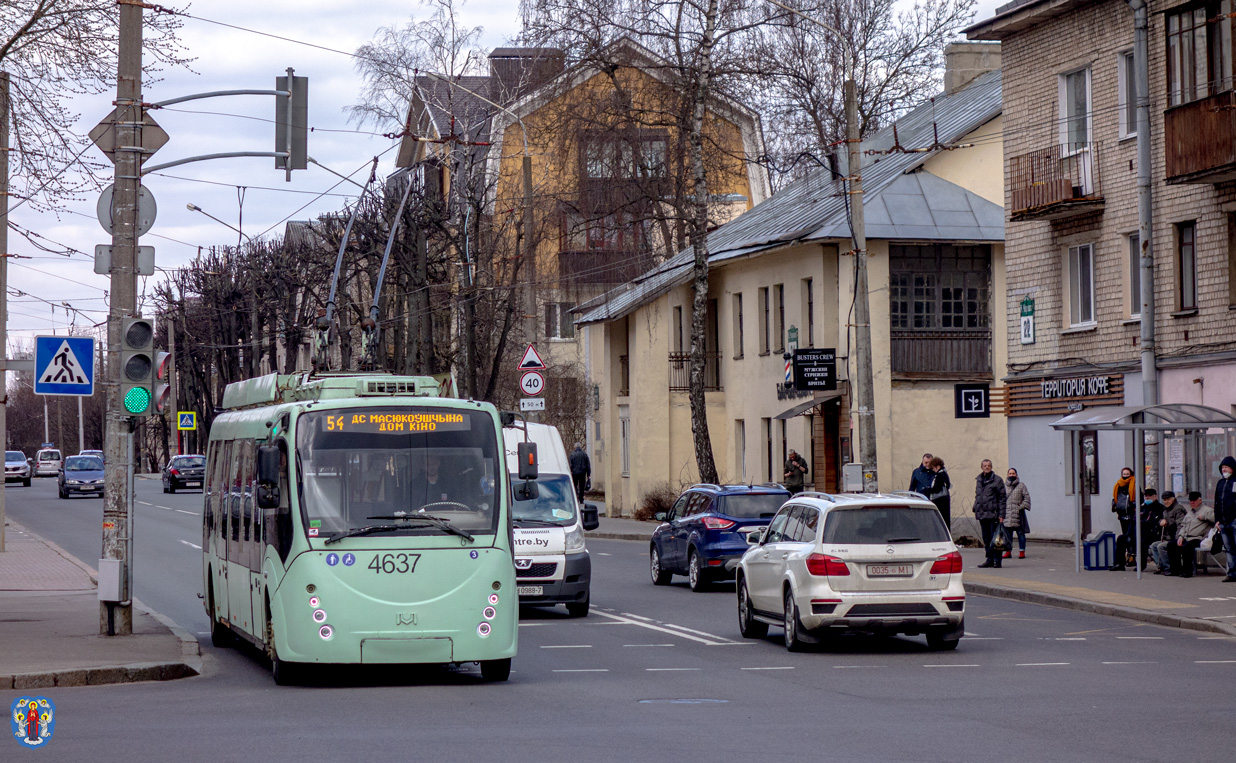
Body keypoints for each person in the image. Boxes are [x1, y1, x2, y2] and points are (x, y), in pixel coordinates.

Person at [1167, 491, 1215, 578]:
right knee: (1171, 545)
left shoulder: (1207, 510)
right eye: (1190, 501)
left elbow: (1216, 519)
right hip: (1186, 537)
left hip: (1199, 538)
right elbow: (1183, 525)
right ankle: (1175, 570)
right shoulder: (1190, 513)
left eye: (1194, 500)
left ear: (1200, 500)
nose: (1192, 502)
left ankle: (1187, 571)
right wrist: (1180, 536)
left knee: (1187, 547)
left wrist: (1204, 517)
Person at [973, 459, 1008, 569]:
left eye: (988, 465)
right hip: (983, 514)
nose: (987, 467)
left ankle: (997, 560)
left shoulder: (997, 480)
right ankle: (989, 559)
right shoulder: (979, 480)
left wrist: (1002, 515)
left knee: (996, 539)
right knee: (986, 538)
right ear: (981, 467)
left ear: (991, 467)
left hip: (994, 514)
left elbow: (1002, 498)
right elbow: (978, 496)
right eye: (985, 465)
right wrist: (975, 507)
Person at [1109, 467, 1137, 571]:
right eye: (1124, 474)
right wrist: (1115, 506)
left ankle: (1131, 557)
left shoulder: (1134, 484)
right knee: (1124, 538)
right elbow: (1115, 498)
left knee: (1129, 538)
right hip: (1122, 515)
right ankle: (1122, 561)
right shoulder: (1118, 485)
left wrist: (1133, 507)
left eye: (1127, 474)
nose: (1125, 476)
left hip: (1132, 516)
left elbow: (1137, 498)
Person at [1150, 491, 1185, 575]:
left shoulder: (1178, 509)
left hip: (1176, 537)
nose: (1166, 502)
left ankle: (1168, 567)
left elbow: (1181, 525)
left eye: (1168, 499)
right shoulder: (1165, 510)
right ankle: (1160, 566)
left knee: (1161, 546)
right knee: (1154, 545)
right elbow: (1159, 521)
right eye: (1165, 500)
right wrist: (1161, 521)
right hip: (1168, 536)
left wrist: (1178, 538)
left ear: (1173, 499)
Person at [1213, 456, 1236, 582]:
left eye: (1226, 467)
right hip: (1223, 521)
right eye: (1222, 468)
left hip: (1234, 519)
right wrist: (1217, 520)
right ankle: (1231, 573)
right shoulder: (1221, 483)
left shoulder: (1235, 481)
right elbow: (1217, 502)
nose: (1224, 470)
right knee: (1229, 548)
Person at [1134, 488, 1165, 571]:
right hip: (1140, 532)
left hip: (1153, 533)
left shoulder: (1160, 508)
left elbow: (1157, 523)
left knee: (1142, 542)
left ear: (1155, 497)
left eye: (1149, 496)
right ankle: (1120, 564)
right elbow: (1135, 520)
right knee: (1122, 539)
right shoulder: (1142, 507)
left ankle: (1141, 565)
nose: (1147, 498)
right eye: (1146, 496)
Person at [1004, 468, 1031, 559]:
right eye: (1010, 473)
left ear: (1016, 474)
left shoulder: (1021, 485)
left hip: (1018, 514)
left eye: (1013, 473)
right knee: (1007, 535)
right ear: (1007, 475)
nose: (1011, 475)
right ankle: (1008, 551)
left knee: (1021, 534)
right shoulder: (1004, 486)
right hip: (1007, 514)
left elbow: (1027, 498)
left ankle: (1022, 551)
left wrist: (1021, 507)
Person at [927, 456, 952, 531]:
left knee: (941, 521)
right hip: (944, 500)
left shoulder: (940, 475)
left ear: (938, 466)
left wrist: (928, 490)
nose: (933, 470)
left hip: (940, 501)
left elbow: (937, 488)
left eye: (933, 468)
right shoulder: (944, 474)